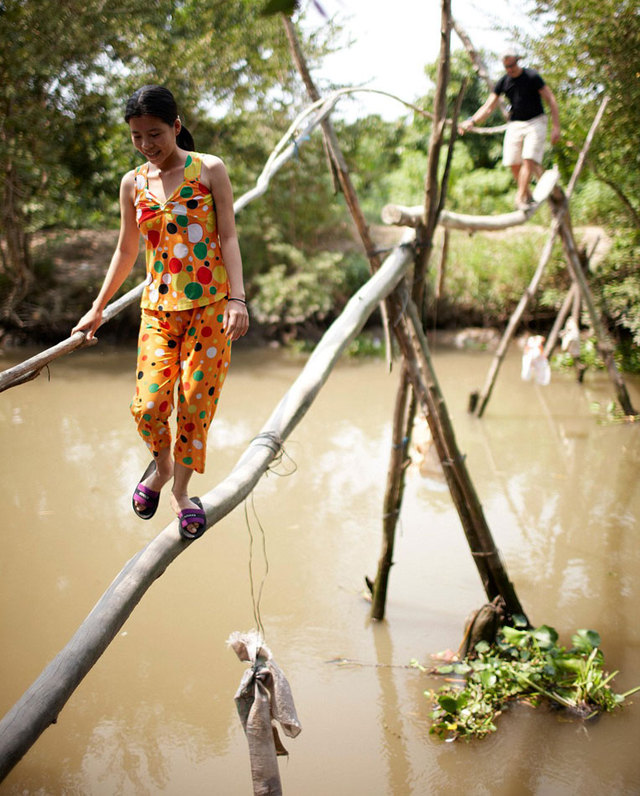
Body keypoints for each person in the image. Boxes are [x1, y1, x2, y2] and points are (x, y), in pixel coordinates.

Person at [72, 85, 249, 539]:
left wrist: (238, 298)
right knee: (148, 406)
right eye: (137, 136)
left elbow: (229, 236)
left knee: (194, 402)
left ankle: (181, 493)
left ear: (176, 126)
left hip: (210, 308)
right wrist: (97, 308)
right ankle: (163, 464)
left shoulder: (209, 170)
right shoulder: (132, 183)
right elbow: (126, 249)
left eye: (155, 133)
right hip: (159, 310)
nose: (147, 144)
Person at [458, 48, 561, 210]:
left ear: (517, 61)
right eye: (506, 67)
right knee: (512, 162)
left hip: (536, 121)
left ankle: (520, 198)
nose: (510, 69)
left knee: (528, 158)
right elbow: (489, 107)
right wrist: (472, 120)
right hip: (515, 123)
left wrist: (556, 127)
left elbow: (551, 100)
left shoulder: (532, 76)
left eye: (512, 65)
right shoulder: (503, 82)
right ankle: (527, 195)